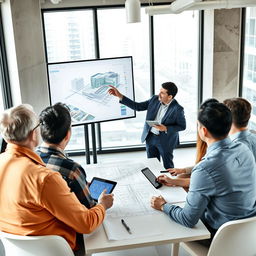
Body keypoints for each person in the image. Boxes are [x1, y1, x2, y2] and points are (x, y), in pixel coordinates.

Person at [0, 104, 114, 253]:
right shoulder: (44, 179)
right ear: (33, 134)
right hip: (57, 251)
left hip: (17, 249)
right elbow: (86, 224)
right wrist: (103, 205)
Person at [151, 100, 256, 241]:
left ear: (204, 131)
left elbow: (187, 219)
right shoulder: (244, 149)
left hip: (220, 238)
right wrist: (178, 180)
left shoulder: (205, 168)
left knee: (168, 215)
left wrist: (163, 206)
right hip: (249, 233)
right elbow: (218, 168)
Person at [108, 82, 186, 169]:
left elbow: (182, 126)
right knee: (152, 165)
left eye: (162, 93)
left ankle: (171, 182)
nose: (159, 94)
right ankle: (156, 182)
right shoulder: (154, 99)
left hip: (166, 140)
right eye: (160, 91)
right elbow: (138, 106)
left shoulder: (178, 109)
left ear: (170, 97)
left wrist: (165, 128)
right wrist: (120, 96)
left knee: (168, 166)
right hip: (150, 137)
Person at [37, 103, 96, 209]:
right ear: (68, 135)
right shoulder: (72, 170)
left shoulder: (29, 158)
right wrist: (103, 203)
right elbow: (89, 207)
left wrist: (82, 185)